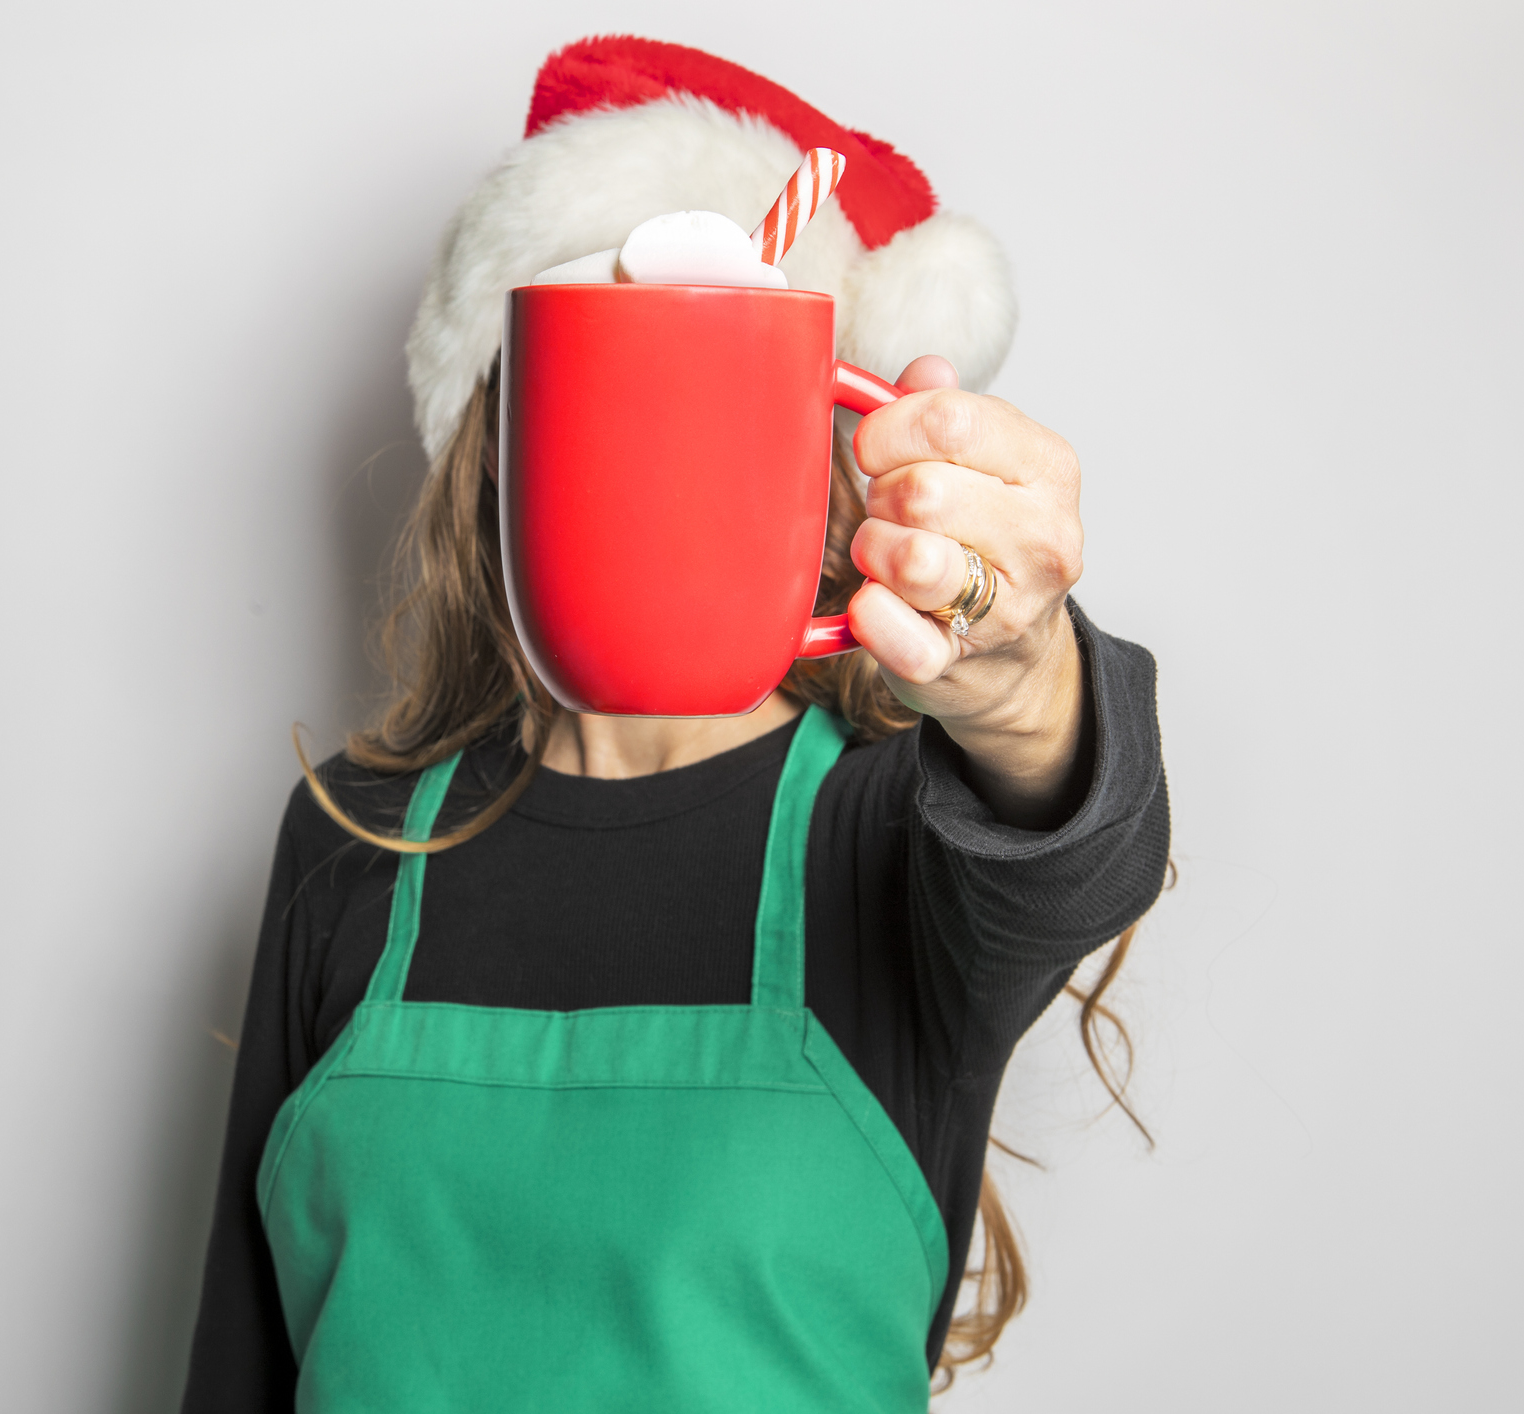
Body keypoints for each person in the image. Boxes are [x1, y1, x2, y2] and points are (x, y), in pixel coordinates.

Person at [181, 35, 1170, 1413]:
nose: (660, 462)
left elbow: (1077, 835)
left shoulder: (893, 825)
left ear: (822, 444)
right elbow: (236, 1370)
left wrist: (1021, 680)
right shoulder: (352, 835)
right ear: (494, 425)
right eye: (608, 388)